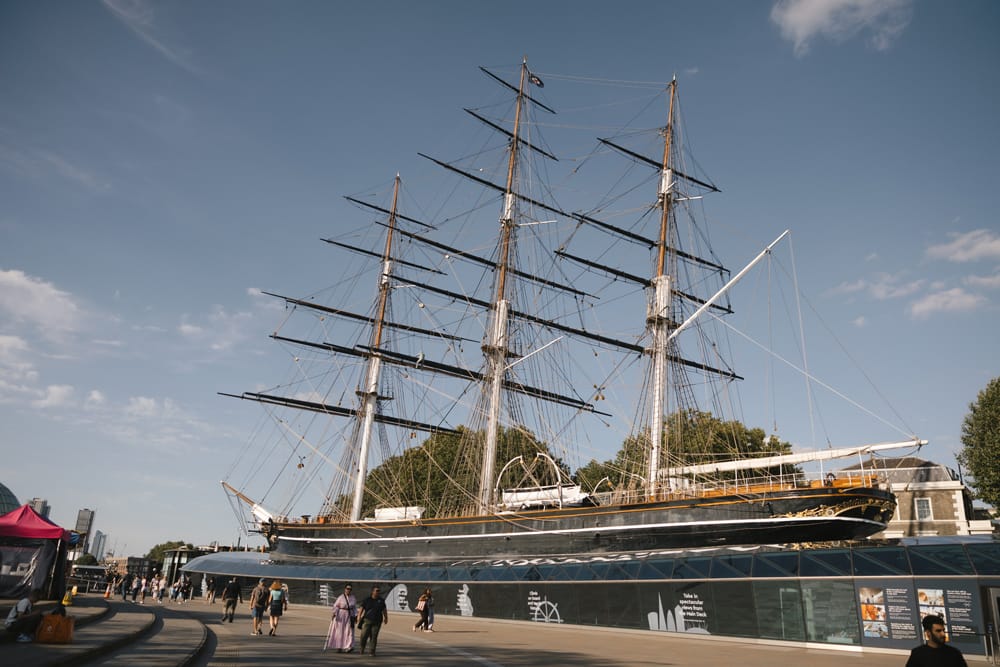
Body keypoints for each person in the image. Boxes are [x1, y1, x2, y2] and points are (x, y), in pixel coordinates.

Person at [357, 585, 389, 657]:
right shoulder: (367, 600)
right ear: (372, 592)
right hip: (367, 620)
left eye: (379, 591)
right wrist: (359, 616)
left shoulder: (381, 600)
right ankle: (362, 647)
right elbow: (362, 608)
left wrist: (386, 617)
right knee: (364, 635)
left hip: (377, 621)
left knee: (374, 636)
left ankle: (372, 651)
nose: (378, 592)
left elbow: (384, 610)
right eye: (377, 591)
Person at [325, 583, 357, 653]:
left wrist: (355, 615)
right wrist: (334, 612)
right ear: (345, 589)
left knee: (350, 631)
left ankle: (349, 646)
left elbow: (354, 608)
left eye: (350, 589)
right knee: (340, 631)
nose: (349, 590)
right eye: (347, 589)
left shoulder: (353, 598)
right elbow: (336, 606)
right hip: (341, 616)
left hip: (349, 615)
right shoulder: (341, 597)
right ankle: (339, 646)